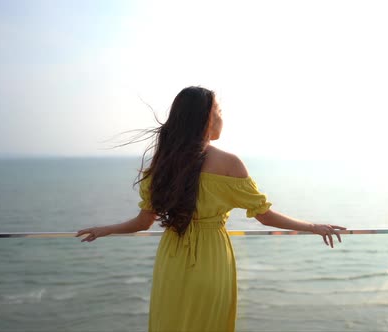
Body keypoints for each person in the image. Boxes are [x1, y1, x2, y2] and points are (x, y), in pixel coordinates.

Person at [76, 86, 347, 332]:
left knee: (171, 322)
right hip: (212, 258)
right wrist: (312, 226)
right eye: (219, 111)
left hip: (172, 258)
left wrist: (106, 230)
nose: (222, 118)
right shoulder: (229, 164)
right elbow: (264, 216)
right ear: (206, 119)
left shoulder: (162, 164)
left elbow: (143, 222)